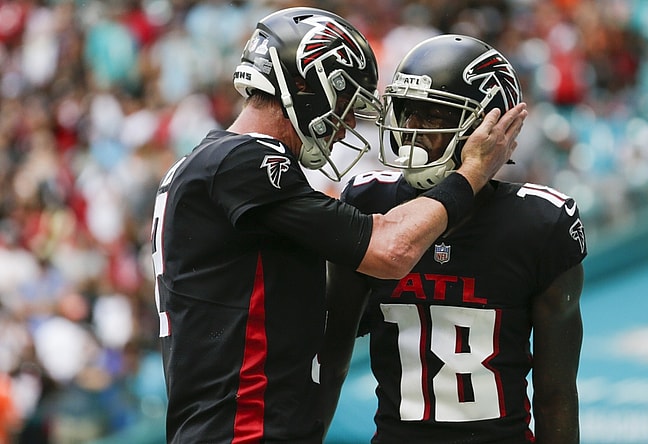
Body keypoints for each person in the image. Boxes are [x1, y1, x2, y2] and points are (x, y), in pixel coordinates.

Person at [149, 7, 527, 444]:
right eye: (346, 104)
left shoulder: (214, 162)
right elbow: (392, 250)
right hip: (243, 432)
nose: (347, 124)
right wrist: (472, 173)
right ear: (308, 85)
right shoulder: (242, 161)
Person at [320, 34, 585, 443]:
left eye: (432, 115)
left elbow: (556, 395)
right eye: (407, 112)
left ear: (487, 126)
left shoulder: (541, 225)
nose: (411, 130)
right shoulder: (368, 200)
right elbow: (330, 356)